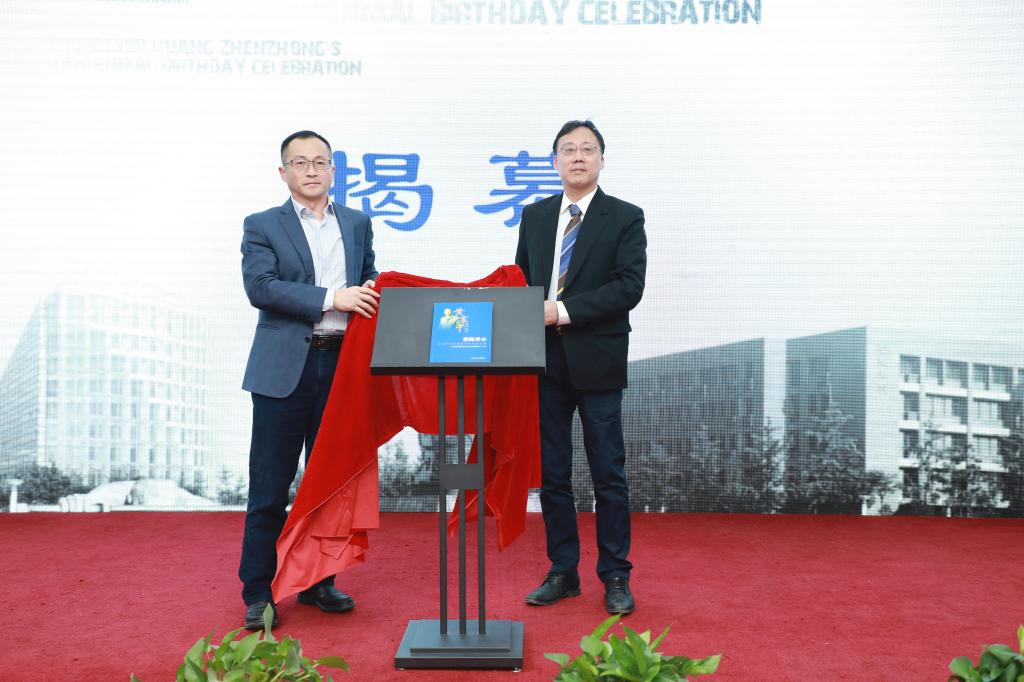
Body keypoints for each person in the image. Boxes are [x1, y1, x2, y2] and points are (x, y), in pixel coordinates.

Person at [238, 130, 380, 630]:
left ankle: (320, 581)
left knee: (330, 486)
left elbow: (368, 279)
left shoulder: (357, 222)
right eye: (300, 162)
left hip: (341, 368)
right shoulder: (262, 224)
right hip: (283, 372)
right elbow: (261, 288)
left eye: (320, 161)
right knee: (270, 487)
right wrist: (330, 298)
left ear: (334, 170)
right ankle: (259, 591)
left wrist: (373, 290)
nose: (312, 170)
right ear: (284, 173)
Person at [514, 120, 647, 614]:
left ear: (601, 160)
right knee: (553, 475)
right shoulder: (535, 216)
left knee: (608, 473)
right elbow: (520, 282)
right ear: (554, 162)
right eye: (568, 149)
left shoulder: (625, 217)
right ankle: (562, 571)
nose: (577, 157)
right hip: (543, 361)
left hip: (598, 360)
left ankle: (615, 574)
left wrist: (562, 311)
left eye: (587, 149)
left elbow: (628, 287)